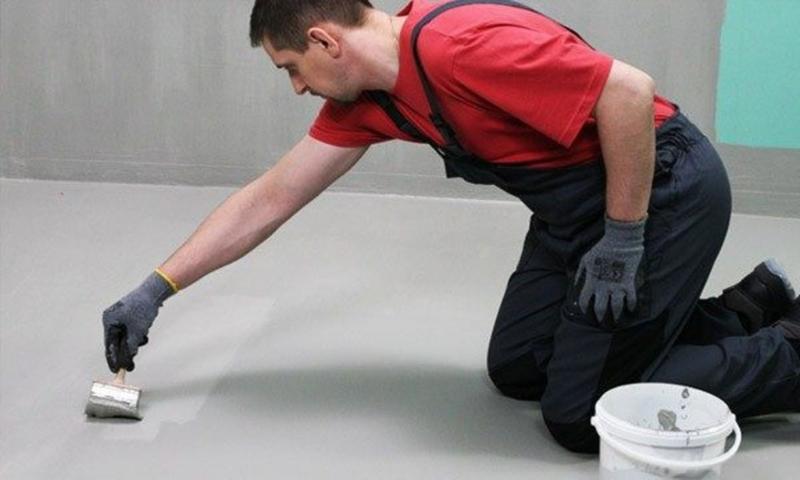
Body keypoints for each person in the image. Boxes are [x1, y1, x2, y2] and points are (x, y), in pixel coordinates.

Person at [101, 0, 800, 453]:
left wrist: (623, 238)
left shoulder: (461, 47)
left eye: (292, 68)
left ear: (323, 39)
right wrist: (158, 287)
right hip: (574, 212)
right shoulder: (370, 98)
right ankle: (748, 307)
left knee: (579, 413)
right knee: (518, 366)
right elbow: (272, 197)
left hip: (659, 191)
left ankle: (788, 358)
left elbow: (628, 93)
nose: (298, 87)